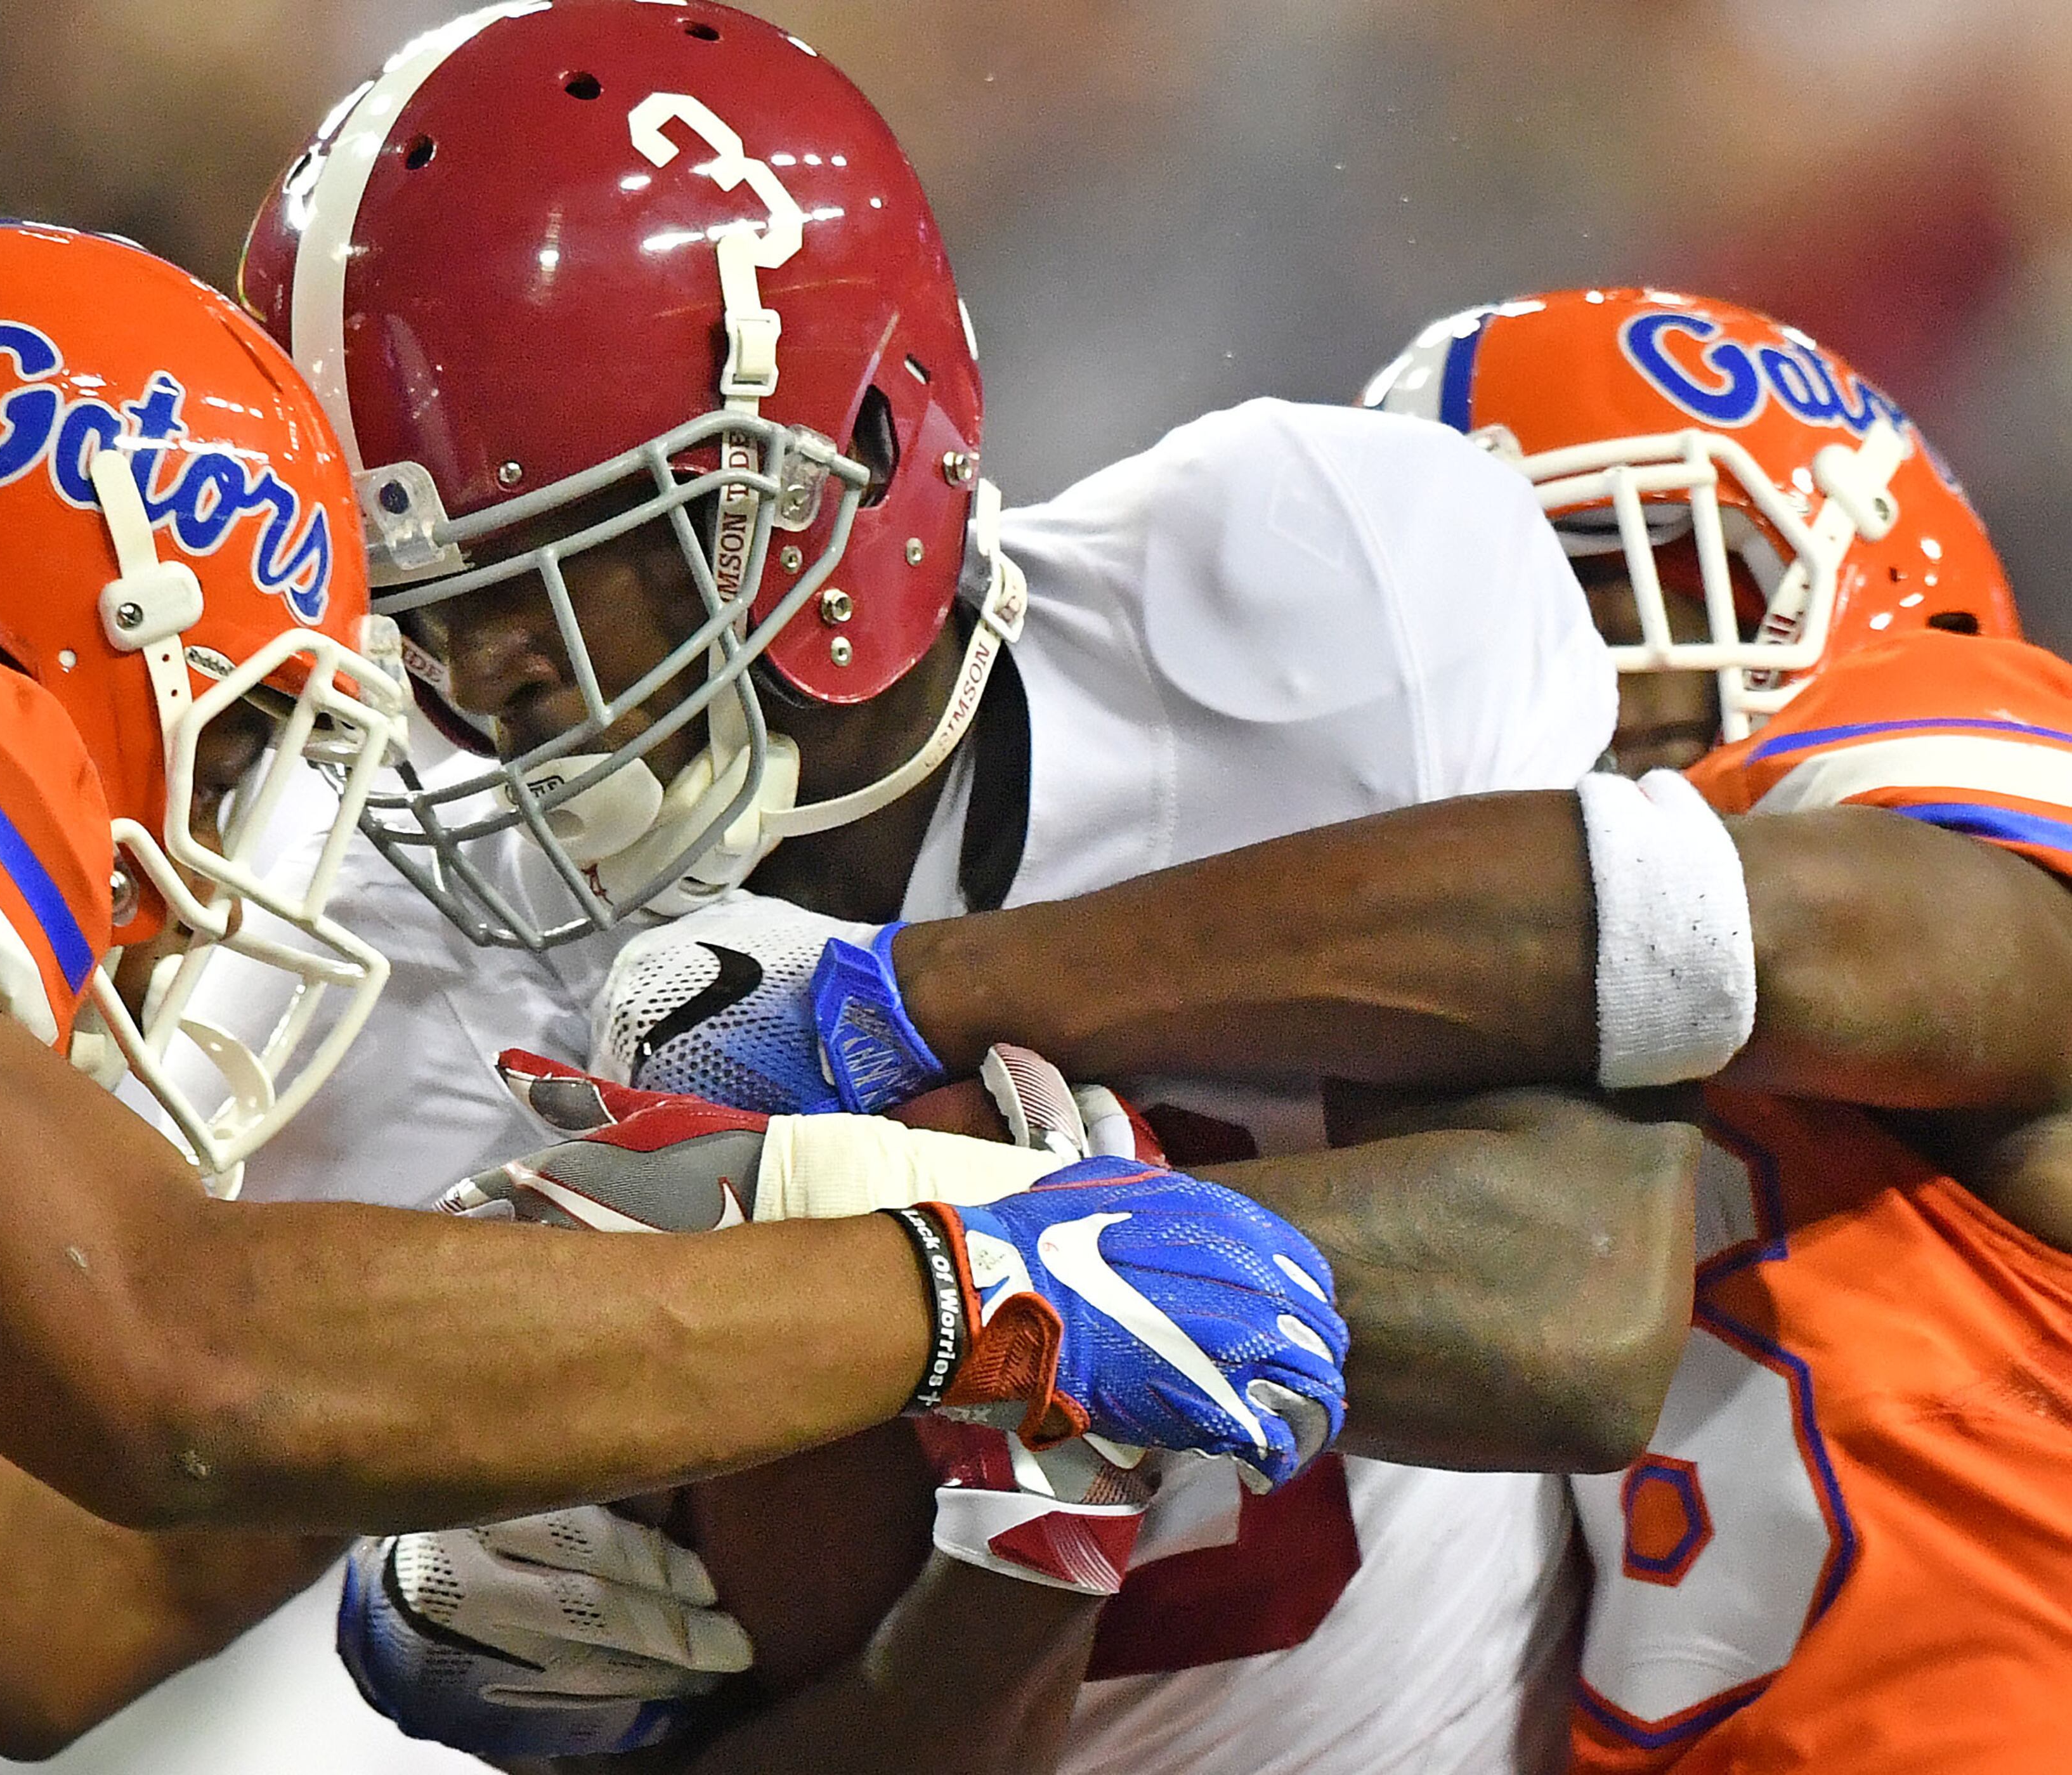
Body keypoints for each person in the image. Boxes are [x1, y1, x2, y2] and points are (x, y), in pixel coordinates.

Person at [0, 217, 1333, 1759]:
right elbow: (175, 1358)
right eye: (231, 740)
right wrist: (978, 1280)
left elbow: (31, 1610)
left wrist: (548, 1338)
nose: (223, 834)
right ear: (6, 636)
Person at [225, 5, 1700, 1768]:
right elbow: (78, 1587)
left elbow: (1587, 1309)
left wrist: (925, 1189)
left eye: (546, 569)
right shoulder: (423, 930)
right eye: (416, 607)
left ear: (848, 459)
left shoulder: (1307, 583)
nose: (477, 684)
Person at [570, 289, 2072, 1771]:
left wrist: (921, 1000)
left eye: (1598, 586)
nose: (1540, 656)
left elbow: (1735, 926)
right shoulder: (1477, 1060)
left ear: (1820, 569)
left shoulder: (1921, 747)